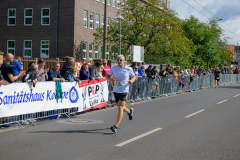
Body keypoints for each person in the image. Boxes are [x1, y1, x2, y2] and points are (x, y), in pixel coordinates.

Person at [106, 55, 136, 133]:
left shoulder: (128, 69)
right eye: (118, 60)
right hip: (116, 90)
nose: (119, 61)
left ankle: (116, 125)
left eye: (121, 60)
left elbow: (134, 76)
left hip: (124, 90)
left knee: (120, 107)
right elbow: (107, 76)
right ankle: (130, 112)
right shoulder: (113, 68)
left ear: (124, 61)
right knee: (120, 107)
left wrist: (131, 81)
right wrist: (111, 79)